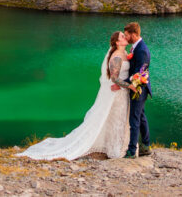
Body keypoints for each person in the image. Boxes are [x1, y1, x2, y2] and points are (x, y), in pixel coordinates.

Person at [17, 30, 132, 160]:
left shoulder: (125, 53)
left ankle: (119, 146)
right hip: (116, 94)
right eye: (123, 36)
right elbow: (114, 78)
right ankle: (115, 149)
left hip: (122, 93)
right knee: (115, 120)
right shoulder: (116, 56)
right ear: (117, 42)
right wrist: (130, 85)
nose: (125, 37)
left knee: (120, 120)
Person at [122, 21, 152, 158]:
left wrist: (123, 83)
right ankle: (146, 146)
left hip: (139, 89)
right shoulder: (136, 48)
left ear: (134, 35)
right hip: (137, 87)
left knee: (134, 119)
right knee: (141, 117)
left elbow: (139, 73)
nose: (125, 37)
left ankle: (132, 151)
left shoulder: (142, 50)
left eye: (127, 35)